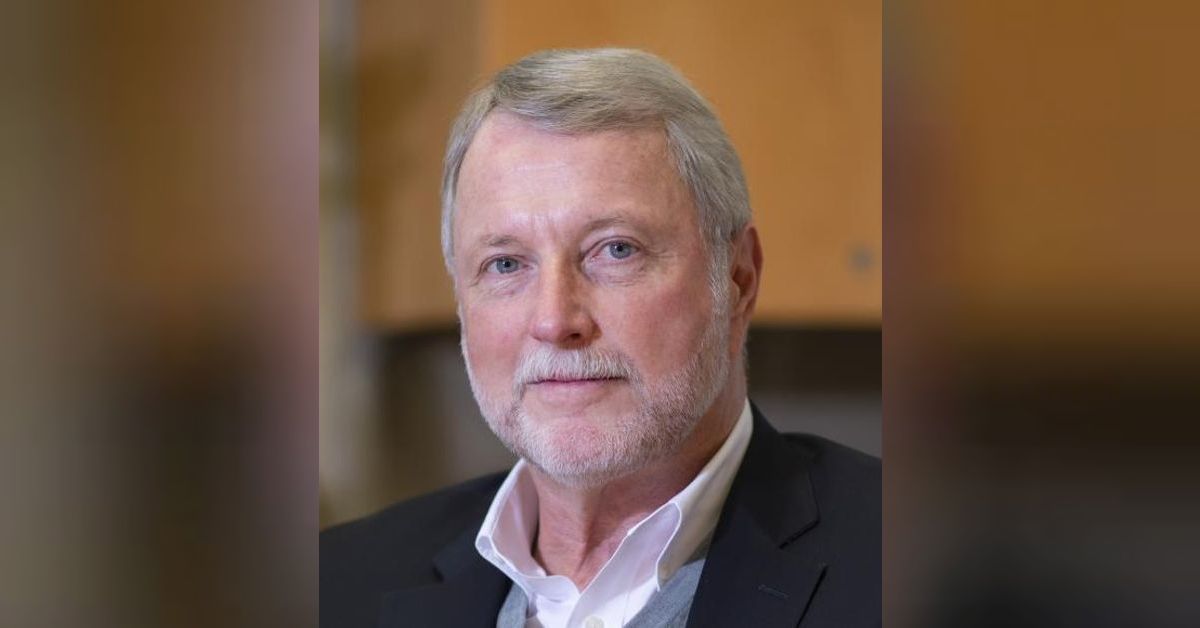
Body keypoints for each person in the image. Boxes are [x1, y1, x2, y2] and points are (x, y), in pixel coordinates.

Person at [321, 48, 880, 628]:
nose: (555, 320)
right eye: (506, 264)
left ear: (738, 280)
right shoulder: (335, 584)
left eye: (616, 250)